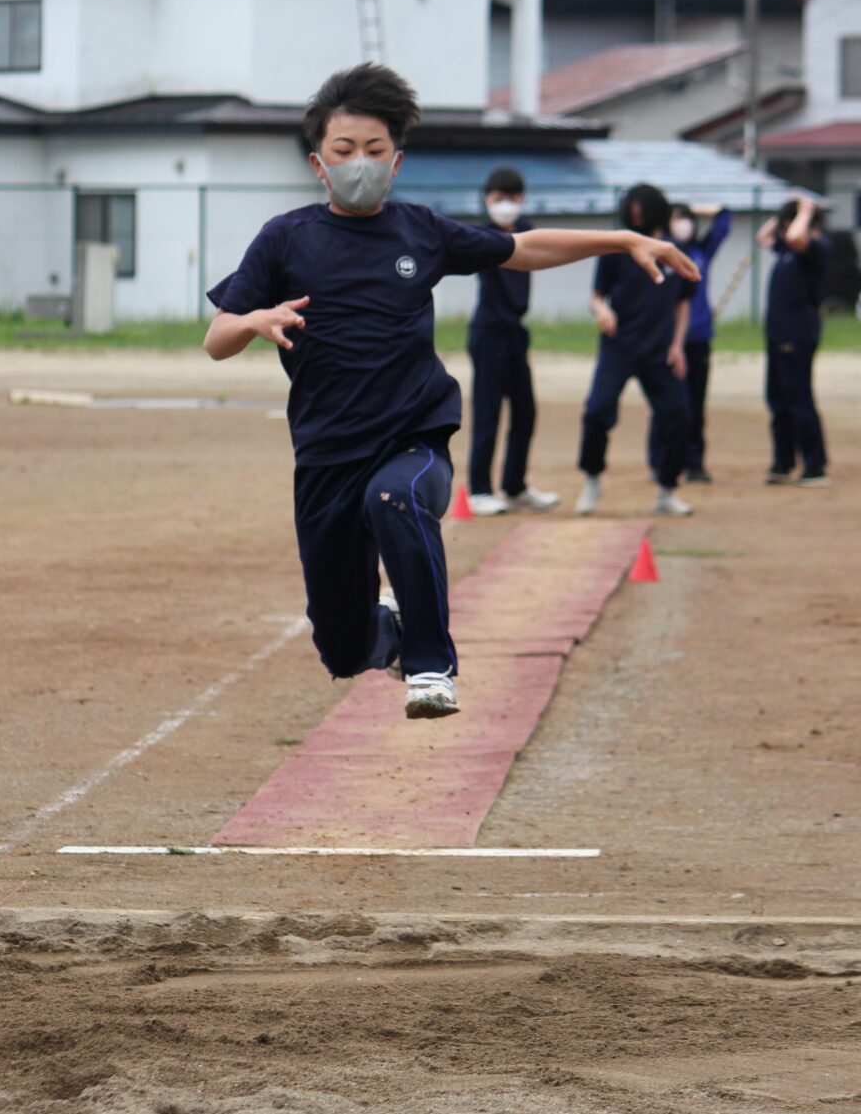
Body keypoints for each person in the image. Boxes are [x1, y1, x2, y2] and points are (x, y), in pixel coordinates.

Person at [203, 64, 698, 719]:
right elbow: (217, 338)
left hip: (413, 437)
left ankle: (433, 666)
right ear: (319, 164)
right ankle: (385, 628)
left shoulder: (421, 231)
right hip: (325, 456)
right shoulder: (284, 239)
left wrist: (624, 238)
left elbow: (524, 247)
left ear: (397, 161)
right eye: (344, 151)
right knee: (342, 648)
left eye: (375, 151)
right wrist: (255, 321)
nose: (360, 164)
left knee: (396, 498)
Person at [576, 183, 698, 518]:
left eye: (641, 214)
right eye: (631, 215)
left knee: (677, 416)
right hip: (619, 347)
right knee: (598, 410)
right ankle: (592, 479)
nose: (636, 219)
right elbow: (596, 296)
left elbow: (683, 303)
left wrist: (678, 345)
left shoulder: (673, 251)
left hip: (660, 350)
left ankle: (667, 489)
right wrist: (602, 311)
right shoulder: (618, 249)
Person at [464, 167, 560, 517]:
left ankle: (515, 486)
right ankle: (479, 489)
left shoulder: (527, 231)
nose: (505, 204)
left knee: (525, 411)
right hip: (488, 333)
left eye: (511, 198)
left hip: (516, 332)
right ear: (487, 200)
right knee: (489, 411)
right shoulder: (482, 236)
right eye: (497, 198)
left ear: (521, 199)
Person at [649, 201, 731, 483]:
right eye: (676, 218)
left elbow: (724, 223)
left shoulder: (700, 251)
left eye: (686, 219)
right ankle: (659, 462)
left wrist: (703, 209)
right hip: (668, 339)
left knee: (696, 403)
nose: (682, 223)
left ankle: (695, 463)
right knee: (666, 403)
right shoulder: (662, 251)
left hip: (698, 337)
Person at [757, 195, 829, 486]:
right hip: (777, 334)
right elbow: (762, 236)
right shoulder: (786, 250)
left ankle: (814, 466)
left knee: (798, 398)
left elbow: (798, 235)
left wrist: (806, 210)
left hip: (797, 335)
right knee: (777, 399)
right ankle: (783, 462)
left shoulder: (815, 248)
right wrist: (782, 213)